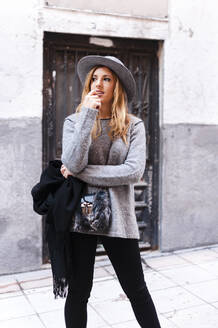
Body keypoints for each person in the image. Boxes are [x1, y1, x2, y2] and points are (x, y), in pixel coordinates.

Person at [60, 55, 161, 328]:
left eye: (107, 79)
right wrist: (88, 116)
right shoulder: (74, 122)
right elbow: (73, 160)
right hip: (82, 215)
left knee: (136, 289)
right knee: (79, 292)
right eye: (95, 78)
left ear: (116, 86)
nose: (99, 84)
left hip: (120, 214)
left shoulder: (133, 125)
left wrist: (81, 172)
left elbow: (132, 171)